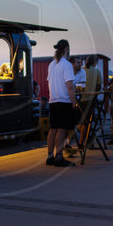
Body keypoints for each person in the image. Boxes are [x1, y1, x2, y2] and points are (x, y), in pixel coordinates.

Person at [46, 39, 77, 167]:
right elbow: (69, 86)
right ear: (67, 49)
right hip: (63, 101)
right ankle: (59, 157)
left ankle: (50, 157)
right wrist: (74, 102)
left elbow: (49, 82)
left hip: (52, 100)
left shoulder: (52, 64)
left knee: (53, 129)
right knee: (62, 130)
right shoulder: (67, 64)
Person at [76, 55, 103, 146]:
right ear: (95, 63)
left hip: (78, 100)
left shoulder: (80, 70)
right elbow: (98, 88)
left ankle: (87, 136)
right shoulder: (96, 71)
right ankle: (82, 142)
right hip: (89, 101)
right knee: (86, 122)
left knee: (77, 121)